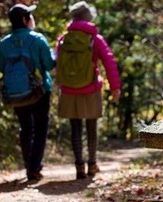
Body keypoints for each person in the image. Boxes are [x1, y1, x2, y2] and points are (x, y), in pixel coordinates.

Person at [56, 1, 121, 179]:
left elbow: (58, 64)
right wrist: (115, 87)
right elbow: (109, 61)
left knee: (75, 127)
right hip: (91, 88)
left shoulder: (64, 39)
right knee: (91, 127)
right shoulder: (95, 39)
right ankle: (92, 165)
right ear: (88, 17)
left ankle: (79, 167)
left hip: (69, 90)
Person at [0, 4, 55, 181]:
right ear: (25, 19)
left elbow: (1, 68)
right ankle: (34, 167)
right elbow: (49, 65)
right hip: (39, 91)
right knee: (40, 129)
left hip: (15, 92)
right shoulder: (37, 39)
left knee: (25, 128)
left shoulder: (4, 43)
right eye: (30, 16)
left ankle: (28, 164)